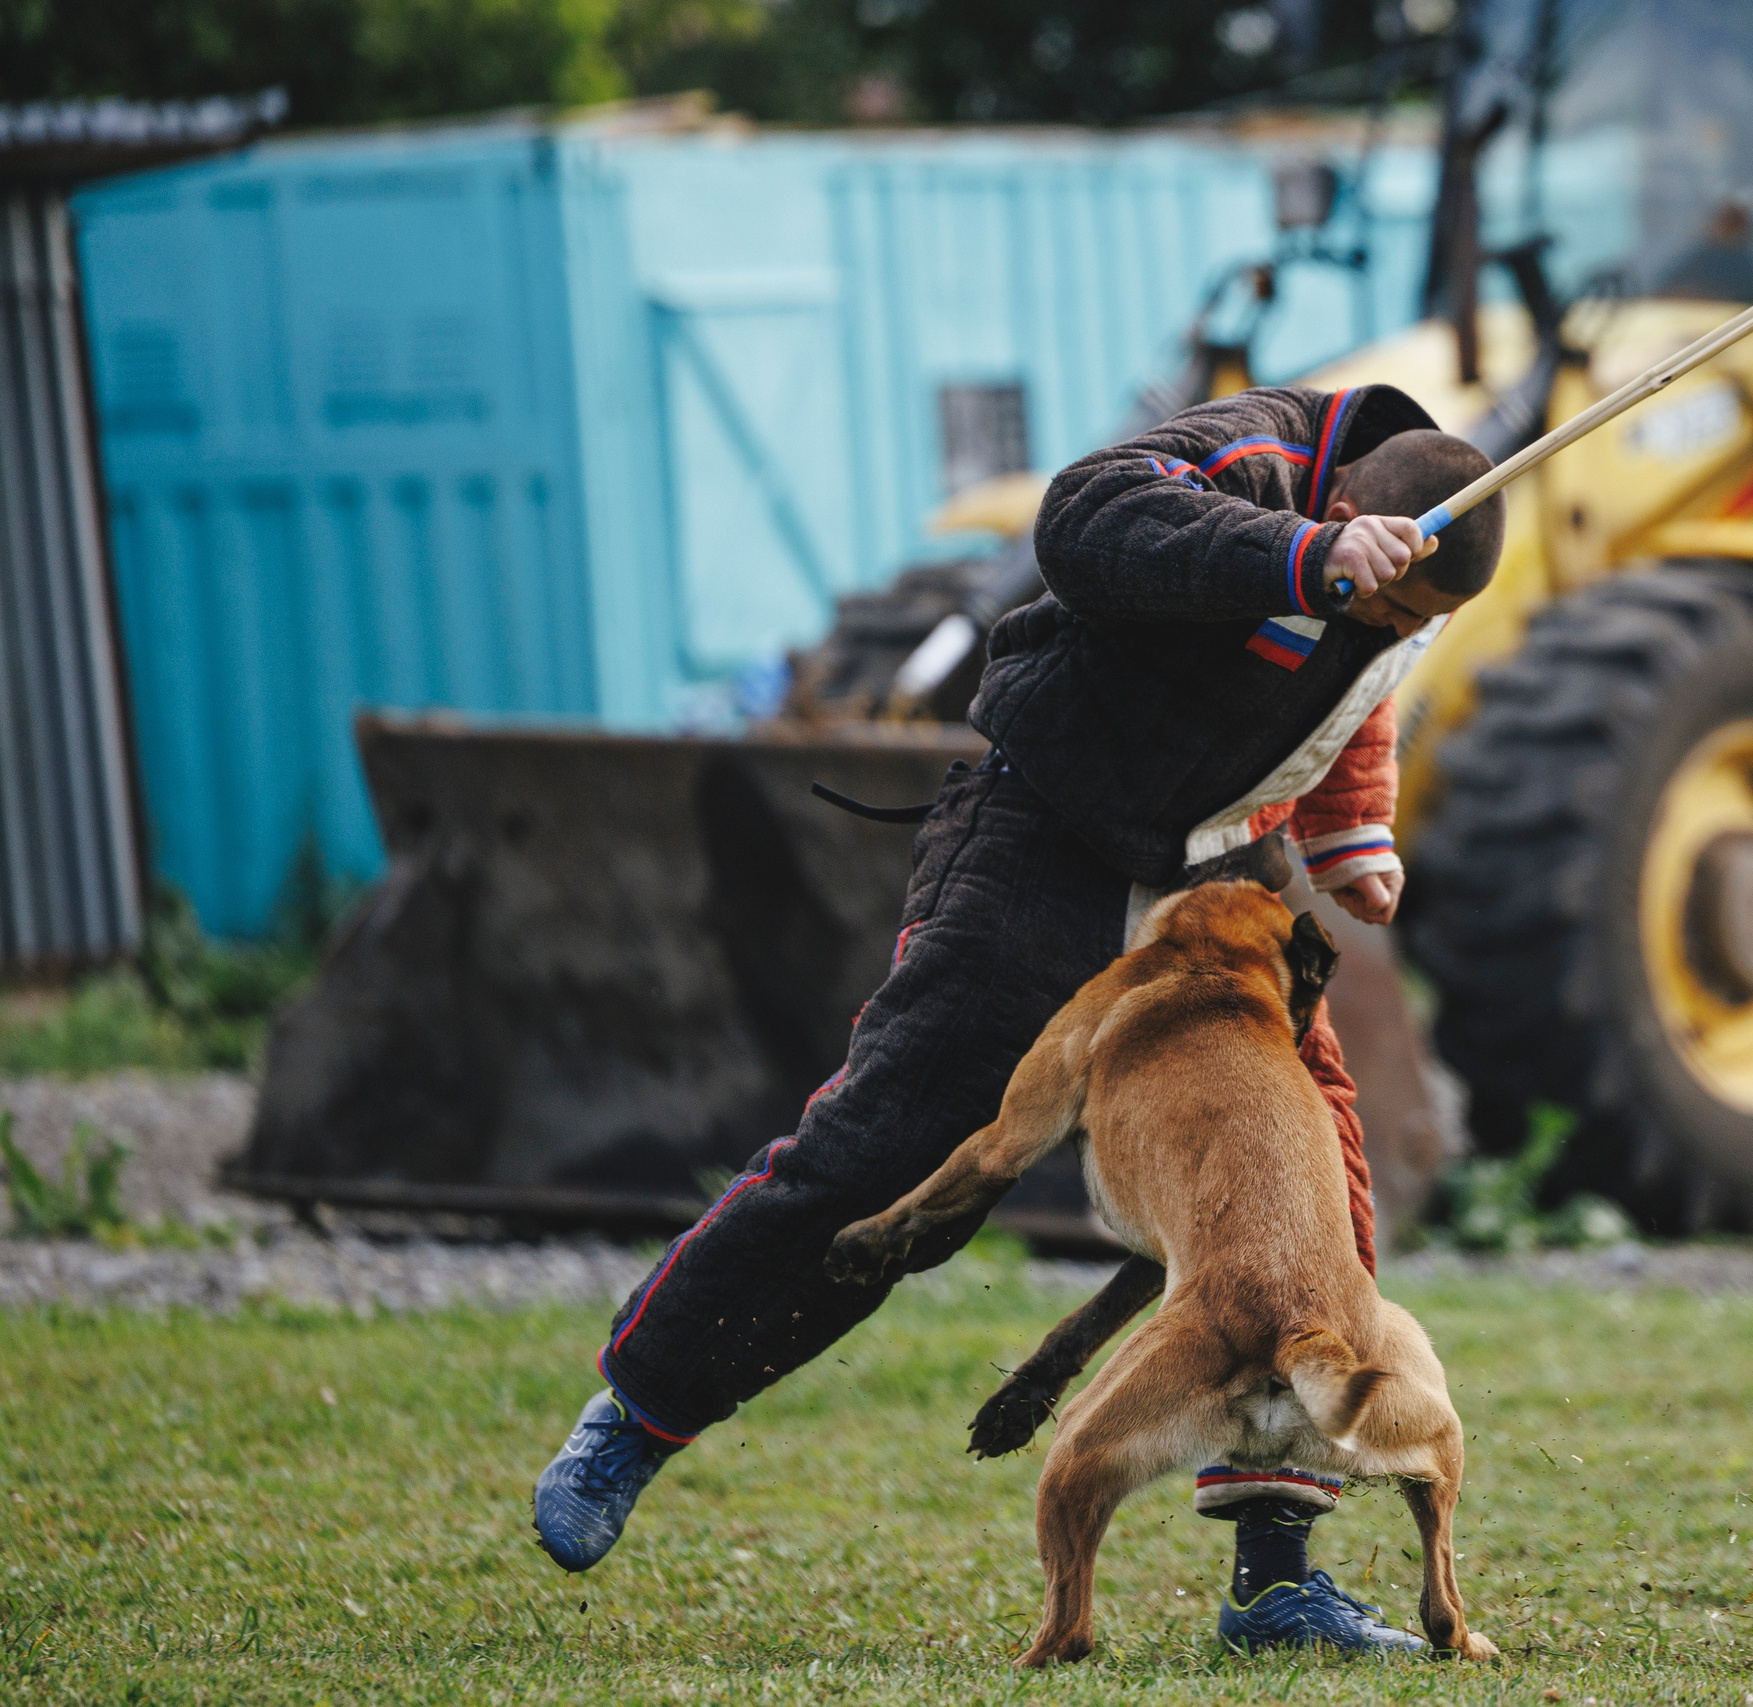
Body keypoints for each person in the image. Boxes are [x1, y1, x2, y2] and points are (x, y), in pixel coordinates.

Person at [530, 382, 1506, 1656]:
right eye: (1384, 602)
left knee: (1321, 1218)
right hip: (1045, 839)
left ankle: (1276, 1578)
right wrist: (1300, 556)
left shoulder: (1401, 582)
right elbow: (1083, 519)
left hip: (1222, 884)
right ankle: (640, 1411)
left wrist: (1350, 835)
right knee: (885, 1150)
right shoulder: (1251, 459)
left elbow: (1356, 694)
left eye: (1409, 620)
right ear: (1344, 500)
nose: (1386, 625)